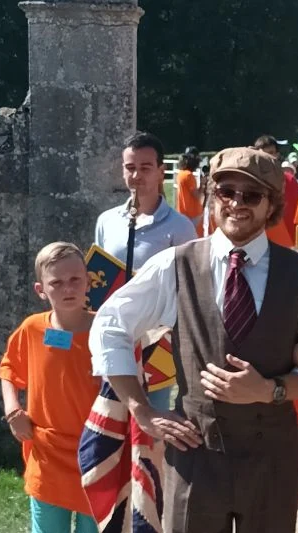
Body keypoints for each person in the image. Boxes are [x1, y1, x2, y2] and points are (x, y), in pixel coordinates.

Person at [88, 147, 298, 533]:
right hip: (196, 455)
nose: (236, 203)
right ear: (210, 196)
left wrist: (268, 390)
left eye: (252, 195)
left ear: (272, 204)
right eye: (225, 191)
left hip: (271, 456)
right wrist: (142, 409)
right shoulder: (176, 263)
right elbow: (109, 326)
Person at [0, 242, 100, 533]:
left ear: (88, 282)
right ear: (41, 290)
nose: (68, 289)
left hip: (97, 453)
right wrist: (13, 409)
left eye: (75, 280)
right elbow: (8, 369)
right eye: (56, 282)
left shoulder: (106, 330)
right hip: (47, 455)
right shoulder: (32, 329)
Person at [94, 132, 197, 411]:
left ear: (162, 171)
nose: (137, 175)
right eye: (130, 168)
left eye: (145, 168)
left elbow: (189, 286)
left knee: (154, 423)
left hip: (157, 341)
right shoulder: (107, 222)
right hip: (115, 335)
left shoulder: (181, 227)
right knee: (111, 418)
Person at [175, 146, 204, 237]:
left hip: (183, 213)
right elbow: (198, 196)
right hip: (193, 214)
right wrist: (203, 185)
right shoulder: (188, 175)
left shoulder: (181, 174)